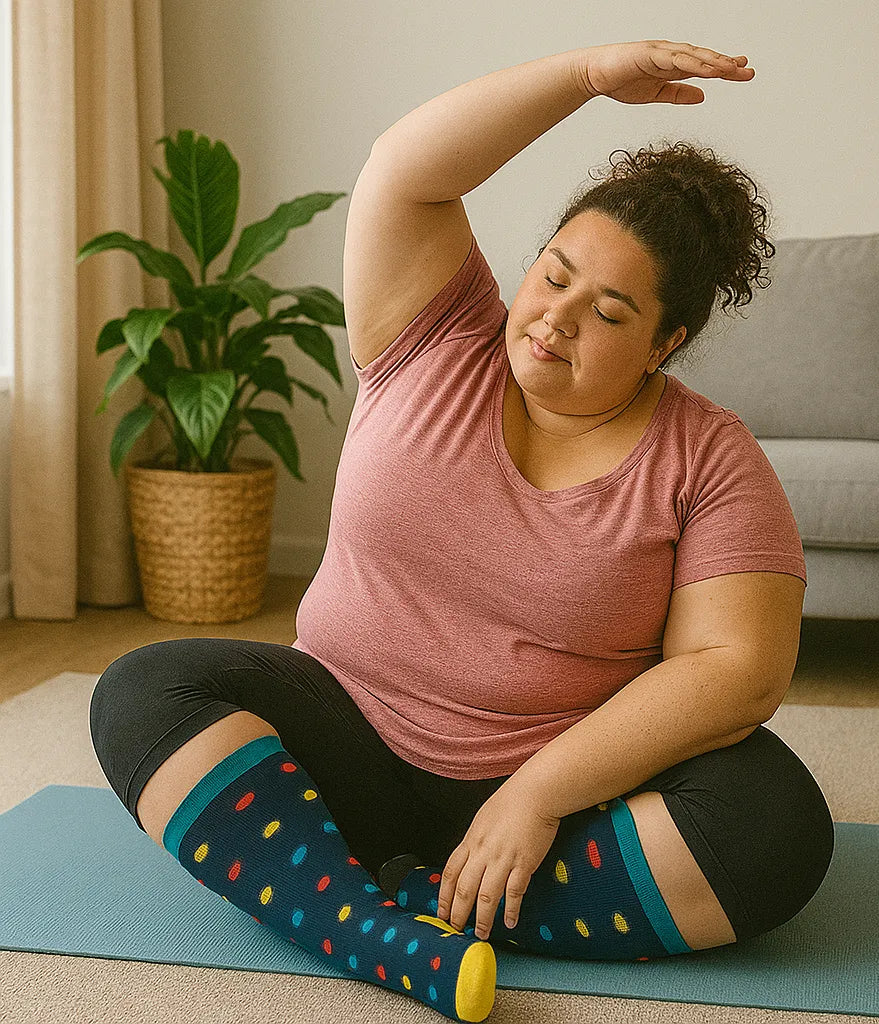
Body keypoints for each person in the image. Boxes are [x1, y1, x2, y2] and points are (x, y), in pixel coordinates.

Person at [90, 40, 834, 1023]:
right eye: (554, 274)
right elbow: (406, 170)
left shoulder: (709, 458)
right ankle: (381, 928)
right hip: (342, 741)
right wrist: (585, 77)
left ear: (665, 342)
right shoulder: (436, 333)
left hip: (562, 797)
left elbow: (737, 670)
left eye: (608, 311)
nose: (556, 318)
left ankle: (370, 894)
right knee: (143, 688)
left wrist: (537, 795)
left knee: (775, 828)